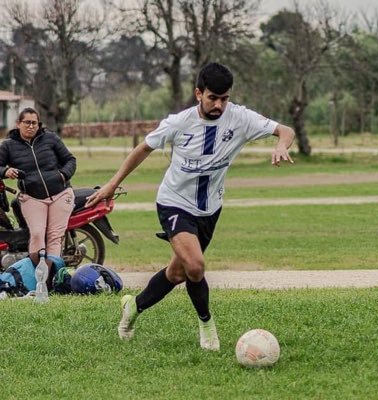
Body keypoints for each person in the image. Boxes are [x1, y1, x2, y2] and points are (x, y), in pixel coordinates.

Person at [86, 62, 295, 351]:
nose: (219, 105)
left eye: (225, 99)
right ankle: (207, 325)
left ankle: (133, 307)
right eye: (213, 98)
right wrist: (111, 183)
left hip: (210, 209)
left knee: (178, 273)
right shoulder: (179, 122)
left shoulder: (240, 118)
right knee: (195, 266)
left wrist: (281, 145)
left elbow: (285, 130)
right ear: (199, 93)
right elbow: (143, 148)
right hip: (174, 203)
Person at [0, 107, 76, 287]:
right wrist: (5, 171)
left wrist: (62, 175)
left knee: (54, 236)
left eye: (35, 123)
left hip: (60, 193)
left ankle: (50, 281)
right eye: (27, 122)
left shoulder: (50, 138)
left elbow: (70, 160)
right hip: (32, 197)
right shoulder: (8, 145)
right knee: (36, 234)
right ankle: (36, 278)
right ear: (18, 124)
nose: (31, 126)